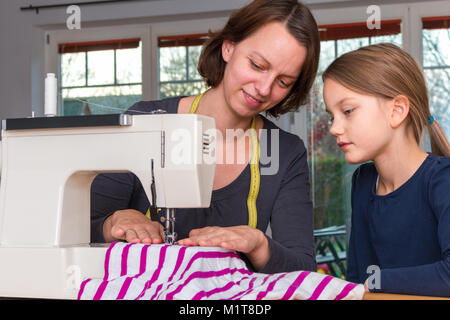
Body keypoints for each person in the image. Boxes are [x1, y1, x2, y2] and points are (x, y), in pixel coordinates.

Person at [91, 0, 321, 274]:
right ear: (228, 47)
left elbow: (302, 267)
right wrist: (115, 220)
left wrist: (259, 245)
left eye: (283, 82)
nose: (263, 88)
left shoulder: (284, 152)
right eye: (257, 65)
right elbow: (81, 229)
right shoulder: (145, 122)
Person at [322, 43, 450, 297]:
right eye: (331, 116)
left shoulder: (442, 179)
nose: (334, 128)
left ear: (397, 110)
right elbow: (357, 277)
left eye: (347, 111)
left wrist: (376, 281)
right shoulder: (363, 181)